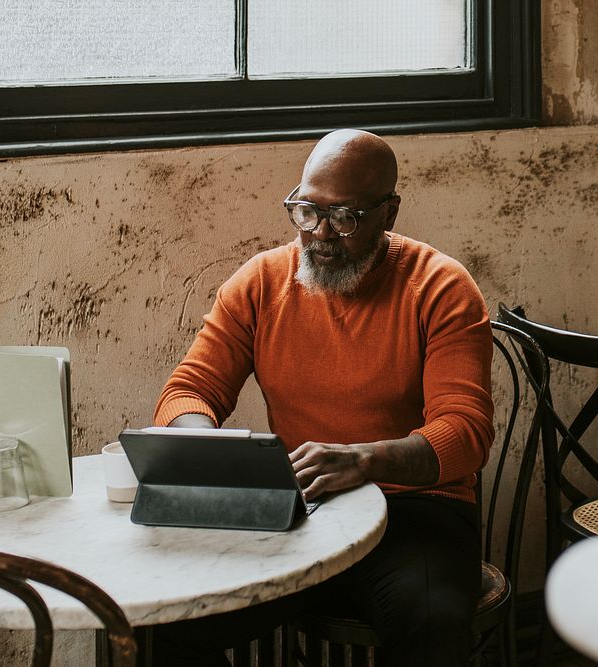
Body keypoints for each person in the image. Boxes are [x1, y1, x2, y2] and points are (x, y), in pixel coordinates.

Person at [151, 129, 494, 665]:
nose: (321, 235)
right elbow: (188, 391)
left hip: (416, 512)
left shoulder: (441, 287)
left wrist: (364, 459)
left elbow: (465, 434)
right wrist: (218, 457)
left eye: (345, 217)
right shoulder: (261, 282)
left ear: (389, 212)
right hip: (303, 509)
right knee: (168, 619)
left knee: (430, 626)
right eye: (307, 211)